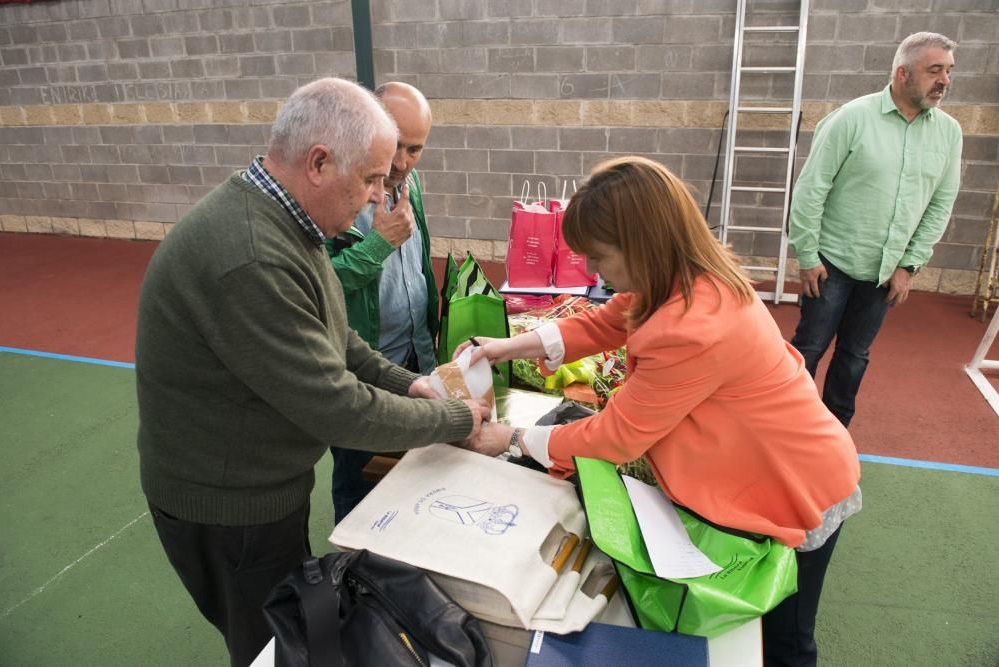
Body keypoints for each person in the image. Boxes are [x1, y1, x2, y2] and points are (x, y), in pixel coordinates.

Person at [135, 77, 490, 667]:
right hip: (230, 506)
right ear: (320, 162)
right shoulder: (251, 255)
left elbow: (338, 339)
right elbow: (337, 406)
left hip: (258, 486)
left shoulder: (289, 223)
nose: (381, 197)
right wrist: (452, 418)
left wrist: (414, 383)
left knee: (295, 633)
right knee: (273, 647)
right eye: (373, 179)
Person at [460, 156, 862, 667]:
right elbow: (608, 320)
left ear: (642, 243)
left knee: (785, 640)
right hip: (774, 466)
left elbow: (619, 434)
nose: (594, 271)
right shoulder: (687, 276)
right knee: (763, 632)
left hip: (799, 487)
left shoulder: (690, 325)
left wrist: (513, 440)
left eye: (600, 256)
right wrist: (507, 346)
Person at [788, 32, 962, 427]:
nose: (944, 81)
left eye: (949, 71)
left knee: (853, 358)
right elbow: (811, 189)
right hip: (831, 263)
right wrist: (807, 255)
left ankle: (834, 440)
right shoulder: (852, 118)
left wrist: (910, 266)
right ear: (902, 73)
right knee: (808, 349)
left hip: (887, 270)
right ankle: (784, 432)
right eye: (934, 70)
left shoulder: (949, 133)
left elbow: (939, 204)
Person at [326, 82, 438, 522]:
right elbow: (313, 284)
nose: (401, 162)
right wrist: (377, 245)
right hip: (363, 369)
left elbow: (419, 262)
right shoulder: (336, 191)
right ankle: (352, 571)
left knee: (414, 471)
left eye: (415, 149)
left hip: (415, 356)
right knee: (360, 482)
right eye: (395, 145)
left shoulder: (411, 182)